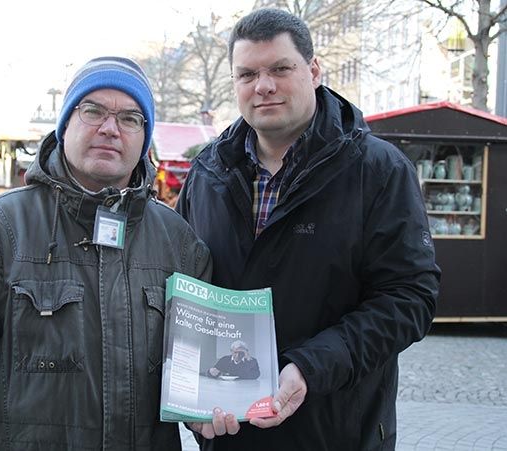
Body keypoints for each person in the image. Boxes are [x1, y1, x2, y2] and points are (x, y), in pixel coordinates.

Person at [0, 56, 212, 450]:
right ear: (65, 123)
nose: (110, 129)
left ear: (144, 137)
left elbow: (200, 387)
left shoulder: (179, 243)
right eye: (93, 111)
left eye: (130, 119)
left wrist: (212, 411)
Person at [176, 8, 440, 450]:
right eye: (247, 74)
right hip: (229, 434)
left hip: (336, 429)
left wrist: (309, 367)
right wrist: (190, 396)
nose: (263, 85)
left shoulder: (377, 170)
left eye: (280, 68)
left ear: (314, 70)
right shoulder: (207, 173)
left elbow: (410, 296)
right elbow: (183, 290)